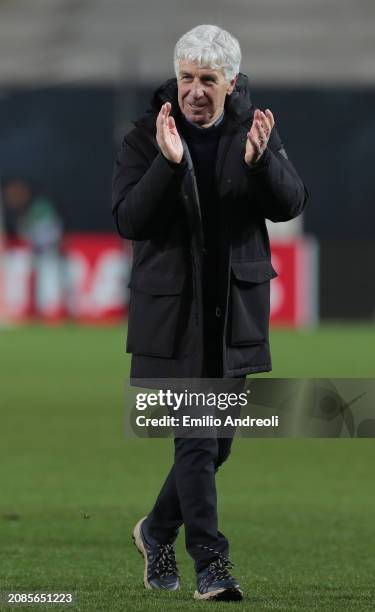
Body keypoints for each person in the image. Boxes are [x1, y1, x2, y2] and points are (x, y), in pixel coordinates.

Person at [112, 24, 308, 601]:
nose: (195, 91)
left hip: (233, 316)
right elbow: (129, 220)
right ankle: (212, 565)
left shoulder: (255, 130)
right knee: (197, 442)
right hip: (173, 320)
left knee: (216, 446)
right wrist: (167, 165)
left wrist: (262, 162)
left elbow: (291, 203)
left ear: (230, 82)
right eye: (186, 79)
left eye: (208, 80)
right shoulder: (145, 138)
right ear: (177, 79)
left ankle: (154, 530)